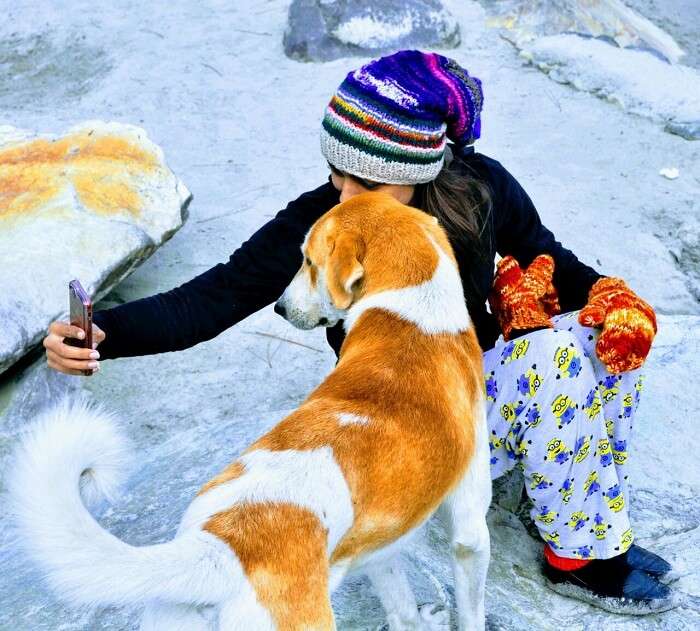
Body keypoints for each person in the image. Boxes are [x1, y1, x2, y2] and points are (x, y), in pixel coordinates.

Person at [43, 50, 675, 613]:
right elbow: (217, 296)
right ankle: (580, 556)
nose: (345, 193)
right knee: (549, 360)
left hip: (473, 394)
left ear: (424, 167)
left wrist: (608, 297)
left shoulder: (480, 189)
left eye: (367, 181)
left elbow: (545, 254)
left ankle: (577, 506)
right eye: (335, 172)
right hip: (415, 425)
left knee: (605, 339)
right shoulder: (329, 217)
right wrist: (106, 332)